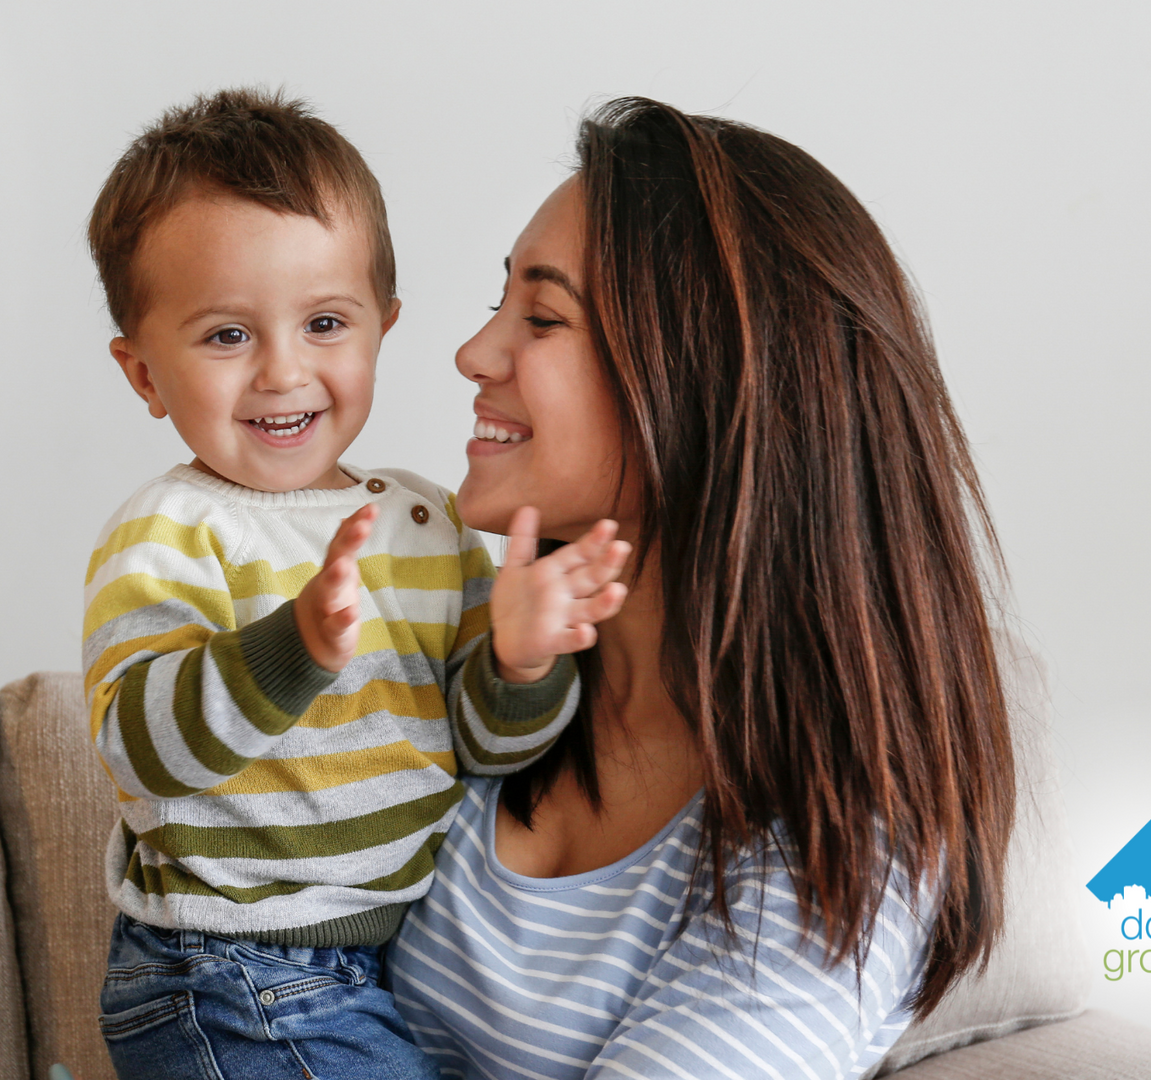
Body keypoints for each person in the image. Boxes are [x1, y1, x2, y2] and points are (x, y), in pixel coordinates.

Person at [385, 97, 1017, 1080]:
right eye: (499, 302)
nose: (474, 354)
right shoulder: (470, 659)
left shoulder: (842, 842)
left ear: (704, 384)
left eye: (542, 317)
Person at [78, 88, 631, 1080]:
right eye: (226, 336)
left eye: (325, 322)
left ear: (384, 326)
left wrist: (521, 658)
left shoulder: (430, 524)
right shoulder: (170, 532)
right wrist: (292, 646)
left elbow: (480, 745)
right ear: (144, 374)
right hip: (229, 969)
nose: (283, 372)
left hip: (379, 964)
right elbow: (142, 749)